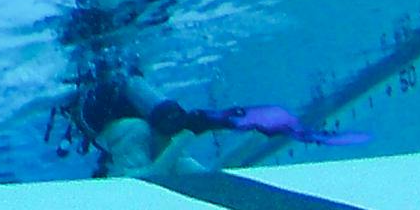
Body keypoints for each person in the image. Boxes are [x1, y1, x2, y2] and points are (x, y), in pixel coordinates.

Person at [70, 66, 368, 178]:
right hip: (128, 124)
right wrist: (186, 133)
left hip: (116, 118)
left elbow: (168, 172)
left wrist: (186, 133)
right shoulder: (134, 135)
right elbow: (156, 177)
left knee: (174, 145)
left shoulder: (140, 144)